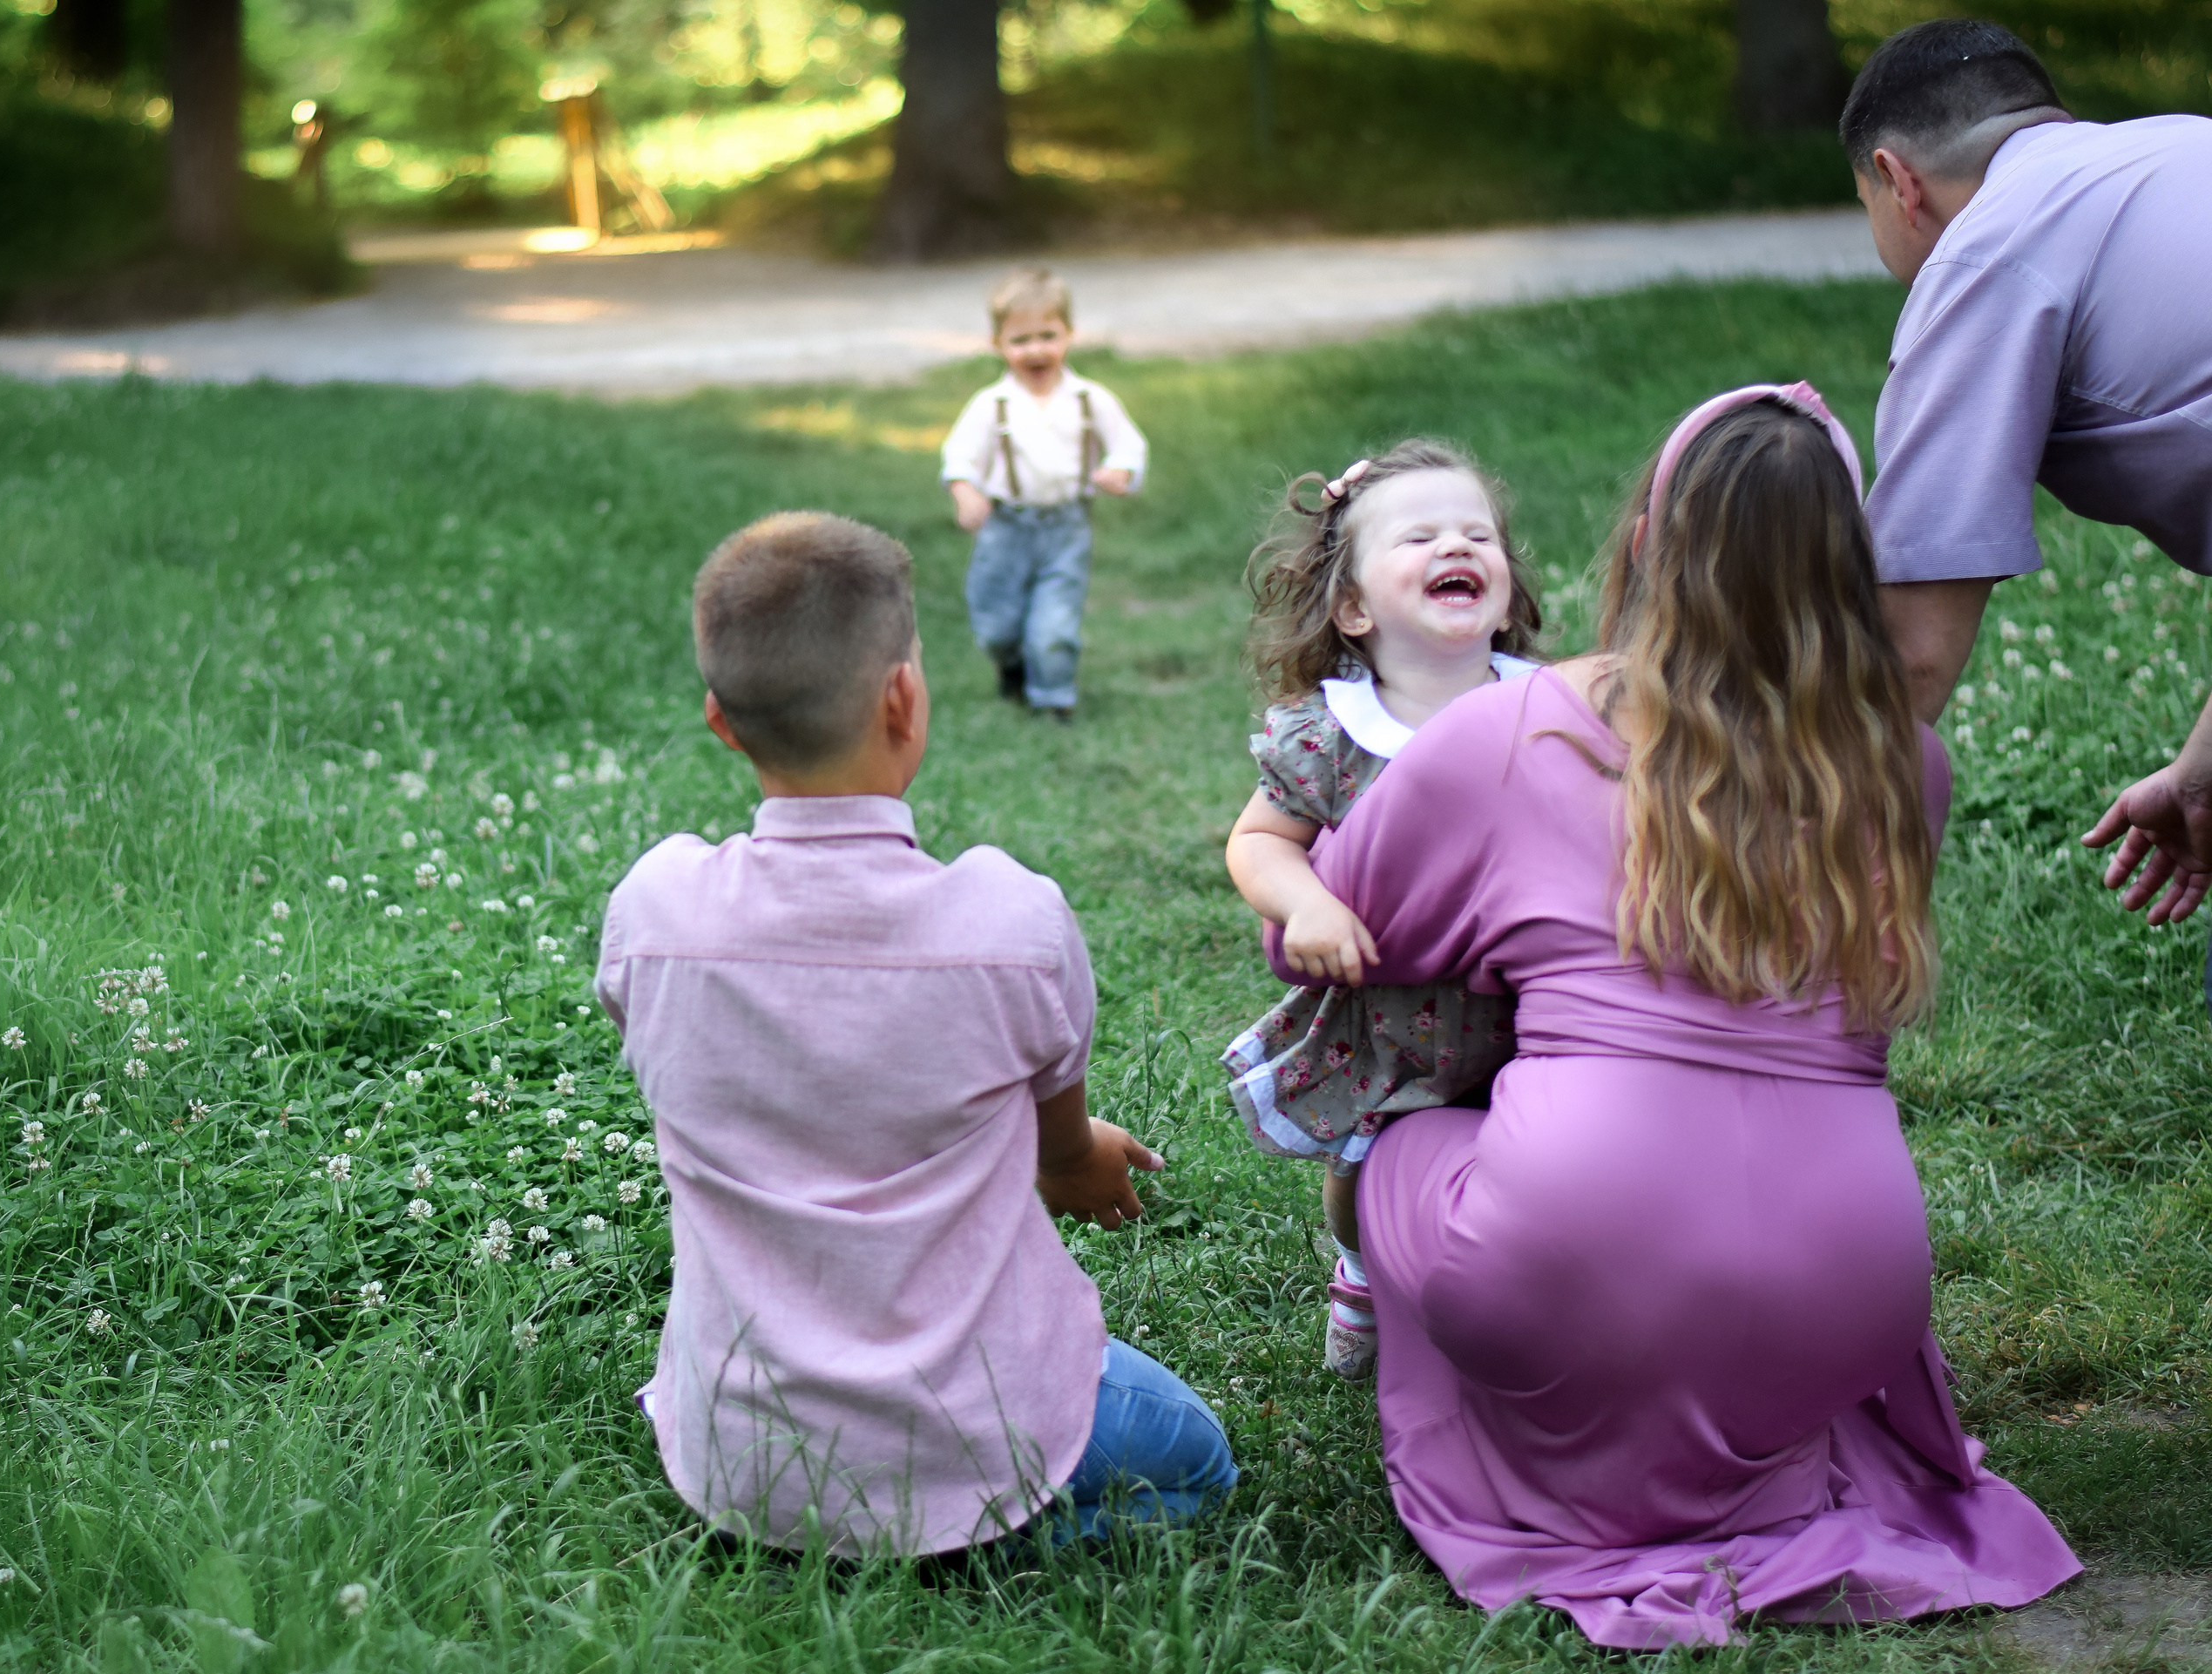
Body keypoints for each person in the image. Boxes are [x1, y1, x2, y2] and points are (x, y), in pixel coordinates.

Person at [1289, 388, 2080, 1647]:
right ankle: (1734, 1435)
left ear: (1650, 539)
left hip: (1573, 1246)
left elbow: (1323, 929)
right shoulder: (1901, 763)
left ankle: (1576, 1466)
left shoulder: (1513, 729)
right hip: (1855, 1286)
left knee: (1403, 1155)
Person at [596, 511, 1235, 1556]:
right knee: (1196, 1458)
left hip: (738, 1458)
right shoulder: (1009, 920)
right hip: (973, 1422)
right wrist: (1078, 1160)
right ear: (903, 697)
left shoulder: (657, 910)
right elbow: (1060, 1149)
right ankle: (982, 1531)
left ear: (721, 720)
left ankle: (822, 1504)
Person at [1845, 20, 2212, 939]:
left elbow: (1913, 650)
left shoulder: (1983, 255)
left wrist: (1741, 870)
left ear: (1897, 182)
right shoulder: (2174, 149)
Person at [1220, 439, 1540, 1381]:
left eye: (1478, 534)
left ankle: (1514, 1288)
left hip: (1531, 1009)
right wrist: (1306, 904)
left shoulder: (1552, 709)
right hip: (1391, 1018)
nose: (1459, 545)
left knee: (1530, 1163)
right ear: (1353, 606)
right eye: (1422, 535)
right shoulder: (1333, 736)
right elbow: (1258, 843)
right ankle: (1360, 1266)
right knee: (1363, 1169)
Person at [940, 268, 1148, 722]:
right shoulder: (990, 405)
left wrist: (1120, 470)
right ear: (998, 343)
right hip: (1005, 529)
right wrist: (964, 491)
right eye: (1020, 340)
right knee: (996, 624)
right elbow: (960, 456)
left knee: (1054, 624)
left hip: (1066, 526)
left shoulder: (1090, 400)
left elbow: (1129, 445)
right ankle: (1011, 666)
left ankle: (1053, 701)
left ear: (1069, 335)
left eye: (1047, 336)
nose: (1035, 350)